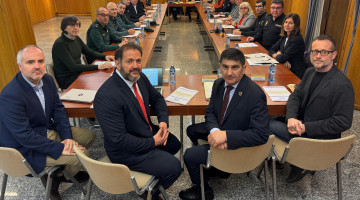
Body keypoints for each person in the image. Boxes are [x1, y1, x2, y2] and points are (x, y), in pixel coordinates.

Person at [0, 45, 96, 200]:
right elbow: (24, 136)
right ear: (20, 66)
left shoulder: (47, 80)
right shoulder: (11, 95)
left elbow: (58, 111)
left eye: (40, 61)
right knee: (82, 155)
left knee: (89, 136)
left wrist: (67, 138)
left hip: (44, 130)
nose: (37, 66)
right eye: (30, 62)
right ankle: (53, 181)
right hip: (24, 147)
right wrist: (59, 148)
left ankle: (60, 174)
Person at [180, 48, 269, 200]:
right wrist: (215, 131)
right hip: (221, 128)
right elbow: (210, 112)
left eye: (235, 67)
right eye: (225, 67)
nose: (229, 72)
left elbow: (261, 135)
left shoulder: (255, 94)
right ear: (219, 66)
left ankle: (204, 190)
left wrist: (226, 136)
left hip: (237, 144)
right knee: (191, 130)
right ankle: (217, 167)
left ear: (244, 68)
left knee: (189, 155)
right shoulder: (219, 84)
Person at [94, 43, 182, 196]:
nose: (135, 66)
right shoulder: (106, 96)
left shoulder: (139, 78)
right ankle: (149, 193)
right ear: (117, 63)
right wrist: (153, 142)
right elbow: (119, 140)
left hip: (143, 132)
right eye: (129, 61)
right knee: (174, 167)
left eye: (138, 61)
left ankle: (152, 174)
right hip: (125, 150)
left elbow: (157, 99)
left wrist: (163, 121)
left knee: (174, 144)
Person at [269, 34, 354, 183]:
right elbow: (296, 96)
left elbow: (343, 122)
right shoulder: (310, 72)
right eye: (314, 51)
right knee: (274, 119)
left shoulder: (342, 85)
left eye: (324, 52)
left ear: (333, 55)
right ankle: (288, 161)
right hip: (301, 123)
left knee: (267, 124)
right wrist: (291, 118)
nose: (318, 56)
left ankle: (299, 163)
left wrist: (306, 127)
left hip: (317, 138)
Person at [52, 15, 115, 89]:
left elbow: (89, 52)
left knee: (105, 78)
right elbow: (73, 67)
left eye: (77, 25)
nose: (76, 28)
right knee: (99, 83)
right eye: (72, 25)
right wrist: (99, 66)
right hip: (68, 79)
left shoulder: (76, 38)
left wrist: (105, 56)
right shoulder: (60, 44)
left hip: (78, 73)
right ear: (64, 28)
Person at [268, 13, 305, 79]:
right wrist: (279, 56)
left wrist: (278, 55)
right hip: (284, 67)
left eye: (291, 23)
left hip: (294, 73)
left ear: (296, 26)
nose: (287, 25)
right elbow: (271, 49)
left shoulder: (297, 40)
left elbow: (282, 58)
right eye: (286, 22)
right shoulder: (284, 37)